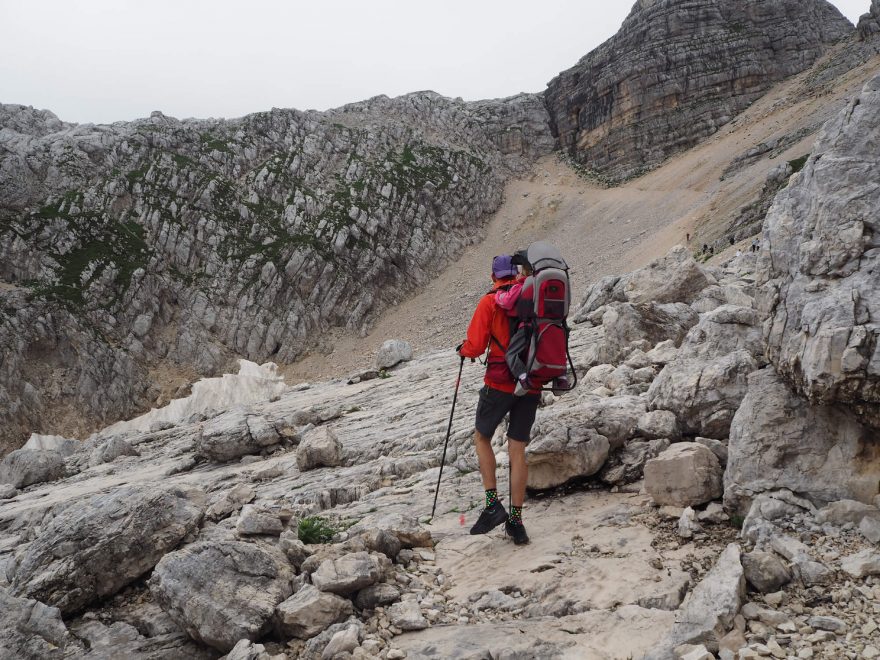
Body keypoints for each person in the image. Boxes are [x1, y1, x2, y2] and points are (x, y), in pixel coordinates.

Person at [456, 254, 539, 545]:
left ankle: (493, 505)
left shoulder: (490, 302)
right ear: (516, 274)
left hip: (500, 382)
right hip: (530, 382)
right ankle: (516, 523)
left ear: (493, 277)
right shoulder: (530, 295)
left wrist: (462, 350)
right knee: (518, 448)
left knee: (482, 437)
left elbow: (476, 346)